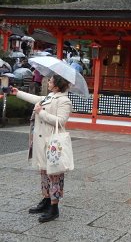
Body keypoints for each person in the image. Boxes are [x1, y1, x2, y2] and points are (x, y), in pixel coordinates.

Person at [10, 74, 72, 223]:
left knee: (54, 174)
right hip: (41, 141)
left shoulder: (64, 101)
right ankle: (46, 200)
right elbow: (35, 99)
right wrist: (17, 93)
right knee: (44, 172)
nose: (48, 82)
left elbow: (61, 121)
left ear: (56, 86)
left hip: (52, 143)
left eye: (50, 81)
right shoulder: (50, 96)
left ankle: (54, 207)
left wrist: (41, 113)